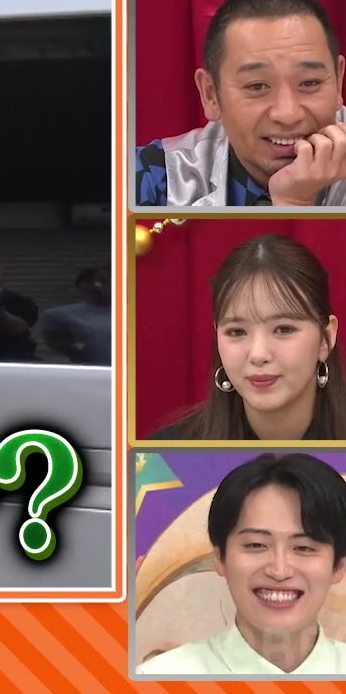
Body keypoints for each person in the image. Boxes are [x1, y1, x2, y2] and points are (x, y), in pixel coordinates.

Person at [135, 0, 346, 207]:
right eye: (257, 86)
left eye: (309, 83)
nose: (288, 115)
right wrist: (292, 202)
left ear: (338, 81)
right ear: (211, 94)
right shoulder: (152, 177)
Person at [139, 453, 346, 674]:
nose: (279, 571)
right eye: (256, 545)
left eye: (303, 548)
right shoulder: (158, 676)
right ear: (220, 558)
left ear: (339, 567)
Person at [150, 234, 346, 441]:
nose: (258, 355)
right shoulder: (163, 453)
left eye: (283, 329)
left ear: (326, 338)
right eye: (237, 332)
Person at [37, 267, 111, 365]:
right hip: (90, 371)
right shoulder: (59, 315)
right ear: (82, 286)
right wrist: (74, 347)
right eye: (97, 282)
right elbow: (55, 343)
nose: (99, 286)